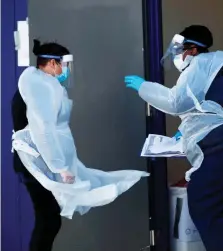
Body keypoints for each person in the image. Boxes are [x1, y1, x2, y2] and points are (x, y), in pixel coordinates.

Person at [124, 25, 223, 251]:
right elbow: (208, 107)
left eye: (180, 50)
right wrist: (186, 129)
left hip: (219, 150)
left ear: (193, 50)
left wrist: (144, 87)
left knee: (208, 209)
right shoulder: (220, 70)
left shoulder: (199, 65)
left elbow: (176, 102)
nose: (178, 56)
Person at [12, 39, 149, 251]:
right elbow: (43, 130)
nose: (66, 70)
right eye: (64, 64)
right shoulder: (40, 87)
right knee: (48, 220)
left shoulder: (40, 86)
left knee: (48, 219)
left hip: (39, 161)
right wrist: (59, 166)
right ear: (51, 64)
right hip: (37, 163)